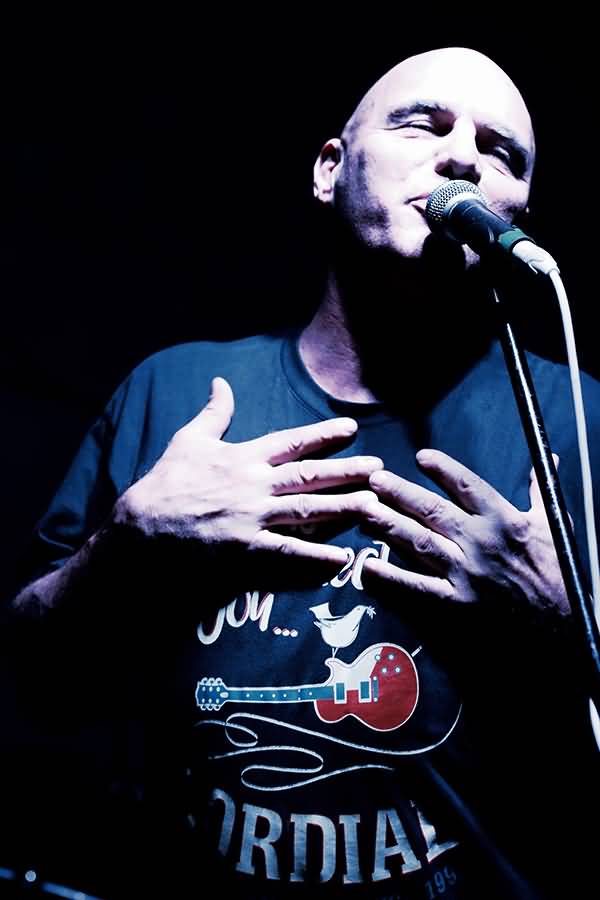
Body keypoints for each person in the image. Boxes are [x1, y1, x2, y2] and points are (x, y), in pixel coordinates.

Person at [5, 46, 600, 899]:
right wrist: (127, 549)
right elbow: (29, 681)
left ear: (520, 215)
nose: (463, 158)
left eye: (501, 152)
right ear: (330, 170)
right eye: (422, 125)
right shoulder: (177, 390)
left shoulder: (580, 421)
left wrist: (562, 629)